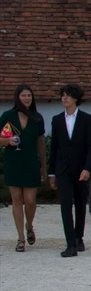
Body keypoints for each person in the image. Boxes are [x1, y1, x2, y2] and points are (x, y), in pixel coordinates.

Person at [49, 84, 91, 257]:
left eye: (67, 95)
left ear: (76, 98)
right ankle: (70, 243)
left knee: (80, 205)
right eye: (62, 95)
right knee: (66, 205)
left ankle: (79, 237)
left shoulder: (86, 119)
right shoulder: (57, 120)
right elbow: (54, 148)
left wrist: (87, 168)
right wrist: (52, 172)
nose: (64, 98)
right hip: (63, 169)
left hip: (80, 168)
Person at [1, 85, 47, 252]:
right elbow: (0, 139)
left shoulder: (37, 118)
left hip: (31, 163)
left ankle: (29, 226)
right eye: (24, 95)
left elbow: (41, 144)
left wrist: (44, 167)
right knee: (17, 200)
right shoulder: (8, 116)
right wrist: (7, 141)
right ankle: (21, 237)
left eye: (29, 95)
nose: (27, 98)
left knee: (30, 201)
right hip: (13, 162)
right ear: (17, 98)